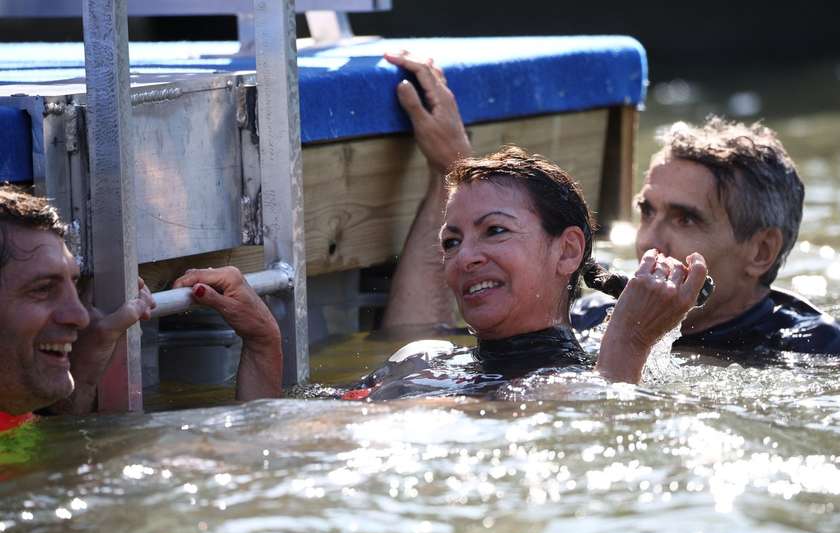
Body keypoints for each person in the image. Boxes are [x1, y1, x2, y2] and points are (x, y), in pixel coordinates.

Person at [340, 52, 708, 401]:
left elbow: (599, 436)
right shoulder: (420, 358)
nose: (464, 257)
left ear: (567, 251)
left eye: (496, 231)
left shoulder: (576, 385)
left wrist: (630, 341)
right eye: (451, 242)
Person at [571, 118, 840, 355]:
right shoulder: (587, 319)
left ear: (761, 251)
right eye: (647, 212)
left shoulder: (826, 352)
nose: (649, 241)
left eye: (686, 219)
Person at [0, 185, 282, 422]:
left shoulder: (15, 416)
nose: (80, 316)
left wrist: (263, 342)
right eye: (43, 289)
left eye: (73, 284)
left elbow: (66, 464)